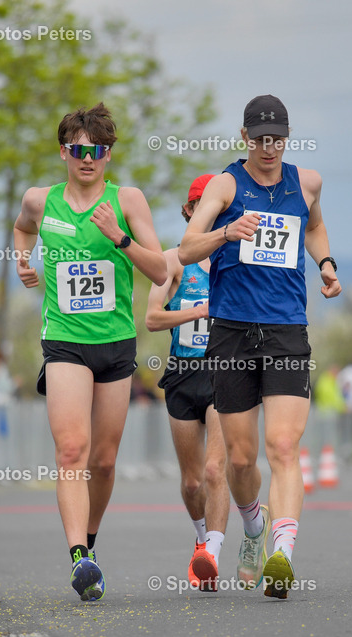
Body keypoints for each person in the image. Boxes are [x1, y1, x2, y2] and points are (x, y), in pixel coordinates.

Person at [179, 94, 341, 599]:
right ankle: (253, 530)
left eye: (277, 139)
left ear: (287, 138)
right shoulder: (227, 184)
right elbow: (187, 247)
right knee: (243, 461)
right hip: (230, 333)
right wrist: (227, 232)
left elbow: (313, 225)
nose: (269, 148)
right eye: (260, 139)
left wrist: (327, 264)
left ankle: (281, 555)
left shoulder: (306, 182)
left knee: (284, 447)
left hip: (286, 331)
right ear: (245, 137)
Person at [14, 102, 167, 601]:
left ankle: (92, 542)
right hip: (64, 340)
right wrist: (22, 260)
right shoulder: (41, 201)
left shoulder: (128, 200)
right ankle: (78, 556)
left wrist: (118, 237)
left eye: (98, 151)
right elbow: (21, 229)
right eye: (79, 150)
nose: (88, 159)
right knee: (72, 451)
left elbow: (161, 272)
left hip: (116, 343)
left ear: (107, 155)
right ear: (64, 151)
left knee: (102, 461)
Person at [145, 174, 230, 592]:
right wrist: (197, 313)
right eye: (201, 209)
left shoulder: (235, 260)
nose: (210, 216)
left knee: (216, 470)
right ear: (189, 211)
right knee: (192, 480)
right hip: (181, 373)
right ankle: (201, 538)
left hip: (223, 374)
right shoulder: (173, 261)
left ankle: (211, 554)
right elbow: (152, 318)